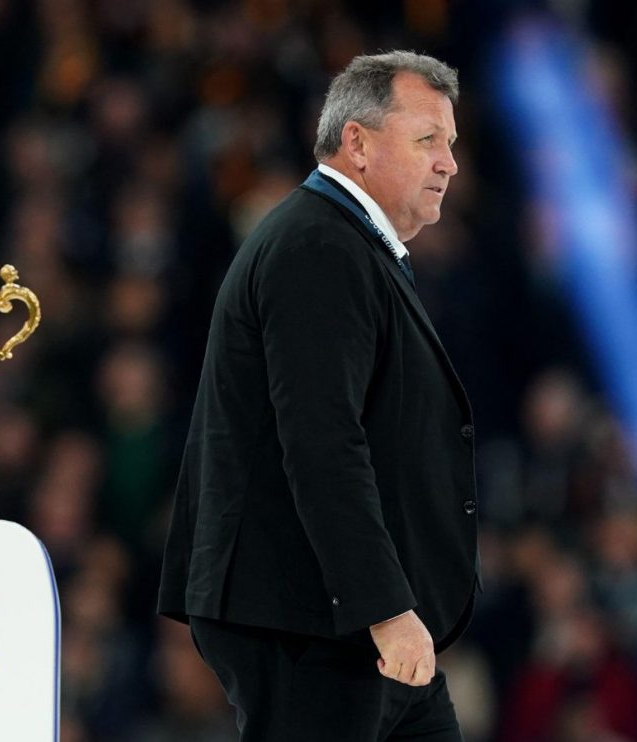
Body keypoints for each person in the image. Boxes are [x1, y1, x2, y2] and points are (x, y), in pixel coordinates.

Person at [158, 51, 480, 741]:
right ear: (356, 143)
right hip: (315, 623)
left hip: (352, 625)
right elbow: (322, 440)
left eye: (450, 144)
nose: (448, 163)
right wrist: (387, 610)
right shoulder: (318, 247)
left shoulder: (348, 244)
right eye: (427, 139)